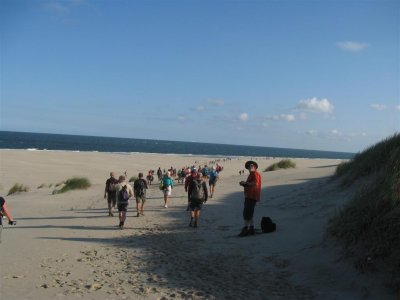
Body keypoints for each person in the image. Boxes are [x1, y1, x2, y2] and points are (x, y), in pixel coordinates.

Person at [238, 160, 262, 237]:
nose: (250, 167)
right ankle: (251, 228)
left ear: (255, 167)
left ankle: (246, 228)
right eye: (249, 166)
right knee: (249, 213)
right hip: (249, 195)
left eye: (252, 166)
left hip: (252, 196)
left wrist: (246, 183)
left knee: (246, 213)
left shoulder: (255, 174)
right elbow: (251, 184)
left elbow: (255, 183)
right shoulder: (251, 174)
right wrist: (244, 184)